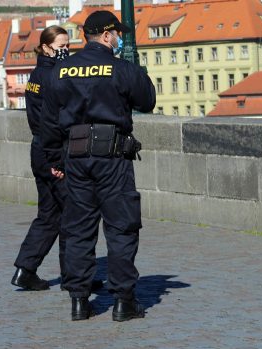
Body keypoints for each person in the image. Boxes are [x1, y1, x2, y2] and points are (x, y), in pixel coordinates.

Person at [41, 11, 155, 321]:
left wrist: (55, 159)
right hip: (113, 158)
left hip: (75, 157)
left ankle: (79, 300)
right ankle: (123, 300)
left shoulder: (61, 71)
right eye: (117, 34)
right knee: (121, 227)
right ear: (106, 36)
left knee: (78, 228)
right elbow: (147, 101)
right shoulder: (121, 68)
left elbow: (48, 121)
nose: (119, 39)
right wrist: (138, 74)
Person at [12, 26, 103, 293]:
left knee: (49, 215)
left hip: (39, 152)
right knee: (75, 216)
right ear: (46, 47)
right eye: (61, 47)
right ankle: (74, 277)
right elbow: (53, 122)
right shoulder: (53, 76)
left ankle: (25, 270)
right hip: (54, 153)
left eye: (68, 46)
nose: (66, 51)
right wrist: (58, 162)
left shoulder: (37, 74)